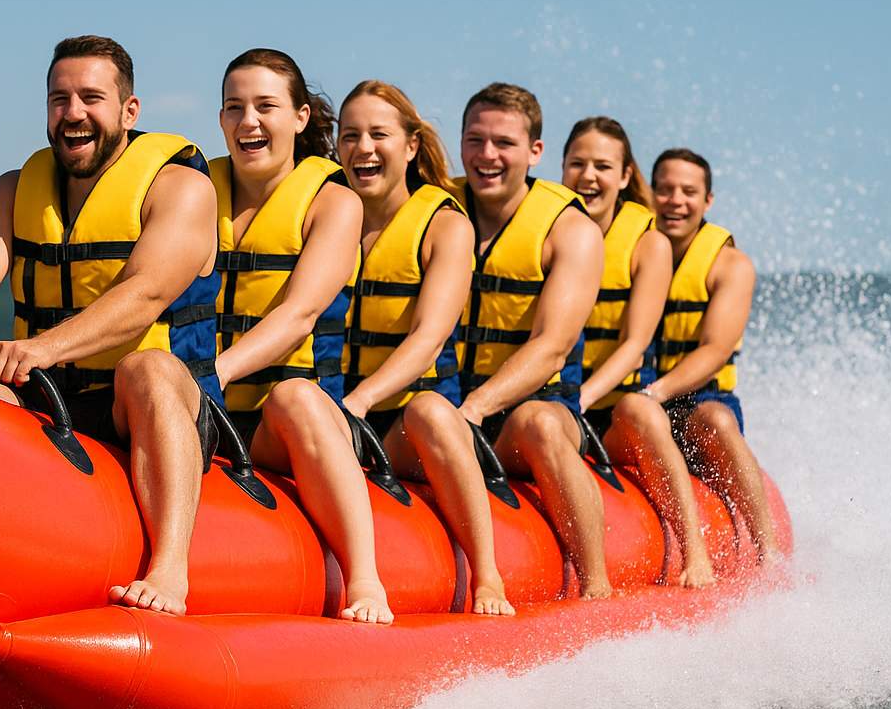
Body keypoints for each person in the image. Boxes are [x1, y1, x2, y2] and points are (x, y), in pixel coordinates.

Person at [0, 35, 221, 615]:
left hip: (155, 402)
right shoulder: (14, 190)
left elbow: (144, 294)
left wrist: (41, 347)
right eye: (59, 98)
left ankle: (171, 569)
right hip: (53, 395)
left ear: (129, 110)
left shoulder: (182, 188)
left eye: (91, 98)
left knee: (147, 368)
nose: (73, 114)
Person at [209, 49, 389, 623]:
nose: (249, 122)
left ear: (301, 117)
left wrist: (213, 375)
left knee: (295, 398)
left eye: (266, 106)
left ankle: (364, 579)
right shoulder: (193, 192)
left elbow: (299, 316)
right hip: (199, 410)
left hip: (279, 422)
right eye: (234, 108)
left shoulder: (334, 203)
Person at [337, 81, 513, 615]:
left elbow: (430, 336)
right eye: (350, 136)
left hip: (397, 427)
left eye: (378, 134)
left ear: (411, 146)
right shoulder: (326, 212)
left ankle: (487, 575)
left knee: (433, 411)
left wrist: (358, 404)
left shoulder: (444, 225)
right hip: (327, 414)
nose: (363, 148)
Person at [452, 83, 610, 598]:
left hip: (531, 410)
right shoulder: (437, 213)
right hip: (443, 407)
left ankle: (596, 584)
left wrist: (474, 409)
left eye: (504, 142)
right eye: (474, 140)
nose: (487, 156)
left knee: (538, 422)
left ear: (535, 152)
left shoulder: (570, 231)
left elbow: (553, 347)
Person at [564, 118, 716, 587]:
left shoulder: (648, 244)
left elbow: (634, 346)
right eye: (577, 164)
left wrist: (582, 398)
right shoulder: (552, 229)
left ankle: (695, 551)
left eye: (602, 166)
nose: (588, 176)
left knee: (643, 410)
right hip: (551, 403)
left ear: (626, 176)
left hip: (608, 411)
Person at [646, 148, 780, 562]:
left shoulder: (730, 265)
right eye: (665, 190)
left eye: (688, 191)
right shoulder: (628, 251)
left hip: (697, 402)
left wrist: (655, 394)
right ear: (649, 195)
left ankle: (768, 552)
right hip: (630, 403)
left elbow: (717, 349)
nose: (676, 201)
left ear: (708, 201)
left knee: (717, 420)